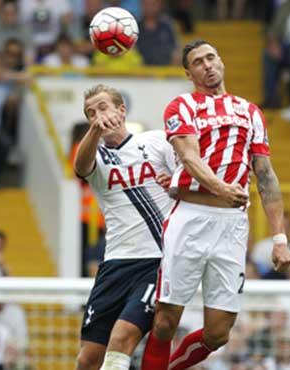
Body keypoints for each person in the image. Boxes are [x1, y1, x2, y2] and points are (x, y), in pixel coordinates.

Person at [141, 40, 290, 370]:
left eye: (211, 57)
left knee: (219, 333)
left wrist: (279, 238)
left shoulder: (250, 112)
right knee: (166, 321)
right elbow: (189, 157)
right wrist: (221, 188)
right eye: (198, 61)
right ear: (189, 72)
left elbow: (265, 174)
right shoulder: (182, 106)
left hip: (232, 226)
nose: (207, 65)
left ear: (221, 62)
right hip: (192, 217)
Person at [73, 84, 176, 370]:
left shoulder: (156, 141)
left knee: (122, 338)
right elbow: (80, 167)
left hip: (156, 261)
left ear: (122, 110)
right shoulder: (96, 156)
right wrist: (94, 130)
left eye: (103, 107)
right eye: (90, 112)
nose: (98, 115)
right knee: (88, 359)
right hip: (115, 264)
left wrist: (177, 183)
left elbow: (188, 174)